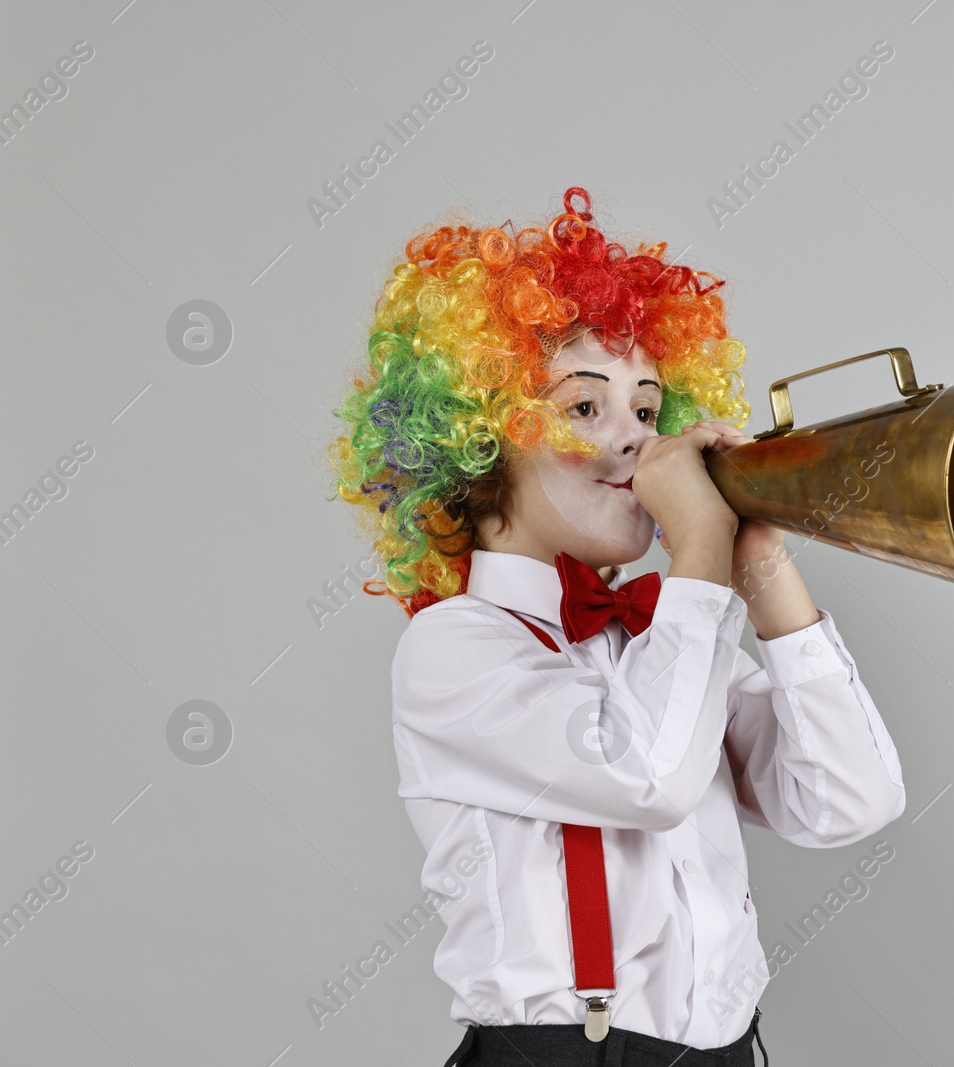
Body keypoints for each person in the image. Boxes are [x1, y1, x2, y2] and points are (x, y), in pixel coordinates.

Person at [328, 187, 907, 1066]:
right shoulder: (451, 650)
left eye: (648, 410)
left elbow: (849, 801)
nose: (633, 441)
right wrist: (702, 554)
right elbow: (650, 774)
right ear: (483, 441)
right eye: (585, 408)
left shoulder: (662, 639)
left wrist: (761, 568)